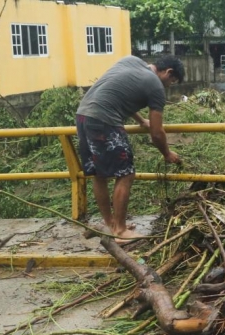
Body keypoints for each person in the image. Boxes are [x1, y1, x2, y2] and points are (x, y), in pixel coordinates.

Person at [76, 55, 184, 243]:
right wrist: (167, 153)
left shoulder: (130, 61)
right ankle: (121, 230)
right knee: (126, 174)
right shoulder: (156, 86)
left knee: (99, 175)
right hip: (105, 120)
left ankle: (111, 224)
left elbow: (119, 92)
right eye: (172, 82)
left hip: (83, 116)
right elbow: (157, 132)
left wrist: (141, 120)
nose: (169, 86)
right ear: (168, 72)